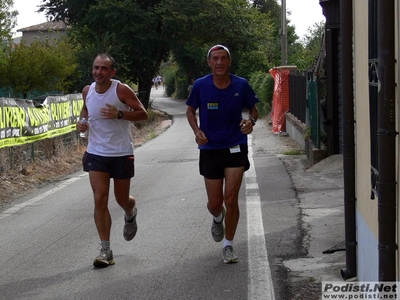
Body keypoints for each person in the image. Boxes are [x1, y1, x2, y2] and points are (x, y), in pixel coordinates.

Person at [186, 45, 259, 264]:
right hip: (210, 148)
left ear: (229, 61)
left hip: (235, 145)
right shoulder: (201, 85)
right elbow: (190, 110)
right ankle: (218, 218)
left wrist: (251, 121)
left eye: (223, 58)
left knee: (231, 197)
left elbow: (254, 109)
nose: (219, 62)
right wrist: (196, 130)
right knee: (215, 202)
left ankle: (228, 245)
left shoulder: (241, 84)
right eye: (215, 59)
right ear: (209, 62)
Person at [76, 53, 148, 268]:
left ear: (112, 72)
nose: (99, 72)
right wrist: (81, 123)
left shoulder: (121, 90)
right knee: (100, 199)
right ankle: (106, 249)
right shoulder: (87, 91)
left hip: (121, 153)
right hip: (96, 152)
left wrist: (119, 114)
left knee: (122, 199)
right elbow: (86, 110)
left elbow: (143, 113)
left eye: (104, 68)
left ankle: (130, 211)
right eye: (96, 68)